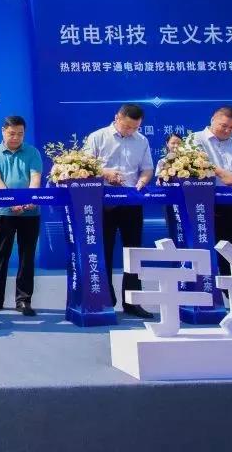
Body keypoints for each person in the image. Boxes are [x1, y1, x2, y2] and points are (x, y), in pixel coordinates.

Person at [84, 103, 155, 319]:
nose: (130, 131)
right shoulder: (97, 137)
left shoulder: (142, 141)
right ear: (117, 118)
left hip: (131, 203)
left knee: (133, 252)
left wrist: (142, 181)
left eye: (135, 127)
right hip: (103, 203)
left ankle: (133, 301)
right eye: (127, 126)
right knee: (103, 250)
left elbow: (147, 168)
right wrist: (105, 173)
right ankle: (105, 299)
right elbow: (84, 166)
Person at [0, 115, 43, 316]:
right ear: (3, 131)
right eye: (12, 134)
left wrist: (28, 200)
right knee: (1, 256)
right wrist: (11, 202)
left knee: (27, 256)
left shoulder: (32, 152)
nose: (16, 138)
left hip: (30, 212)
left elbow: (35, 179)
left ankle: (24, 299)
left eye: (20, 134)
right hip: (4, 212)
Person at [193, 106, 232, 276]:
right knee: (209, 254)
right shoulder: (196, 139)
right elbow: (193, 163)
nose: (227, 130)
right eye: (224, 126)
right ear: (213, 120)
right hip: (208, 207)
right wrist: (221, 173)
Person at [156, 133, 184, 243]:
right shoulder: (162, 162)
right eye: (173, 143)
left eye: (179, 143)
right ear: (167, 144)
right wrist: (160, 180)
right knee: (173, 227)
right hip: (169, 201)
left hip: (186, 200)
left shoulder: (188, 161)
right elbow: (159, 180)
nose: (176, 146)